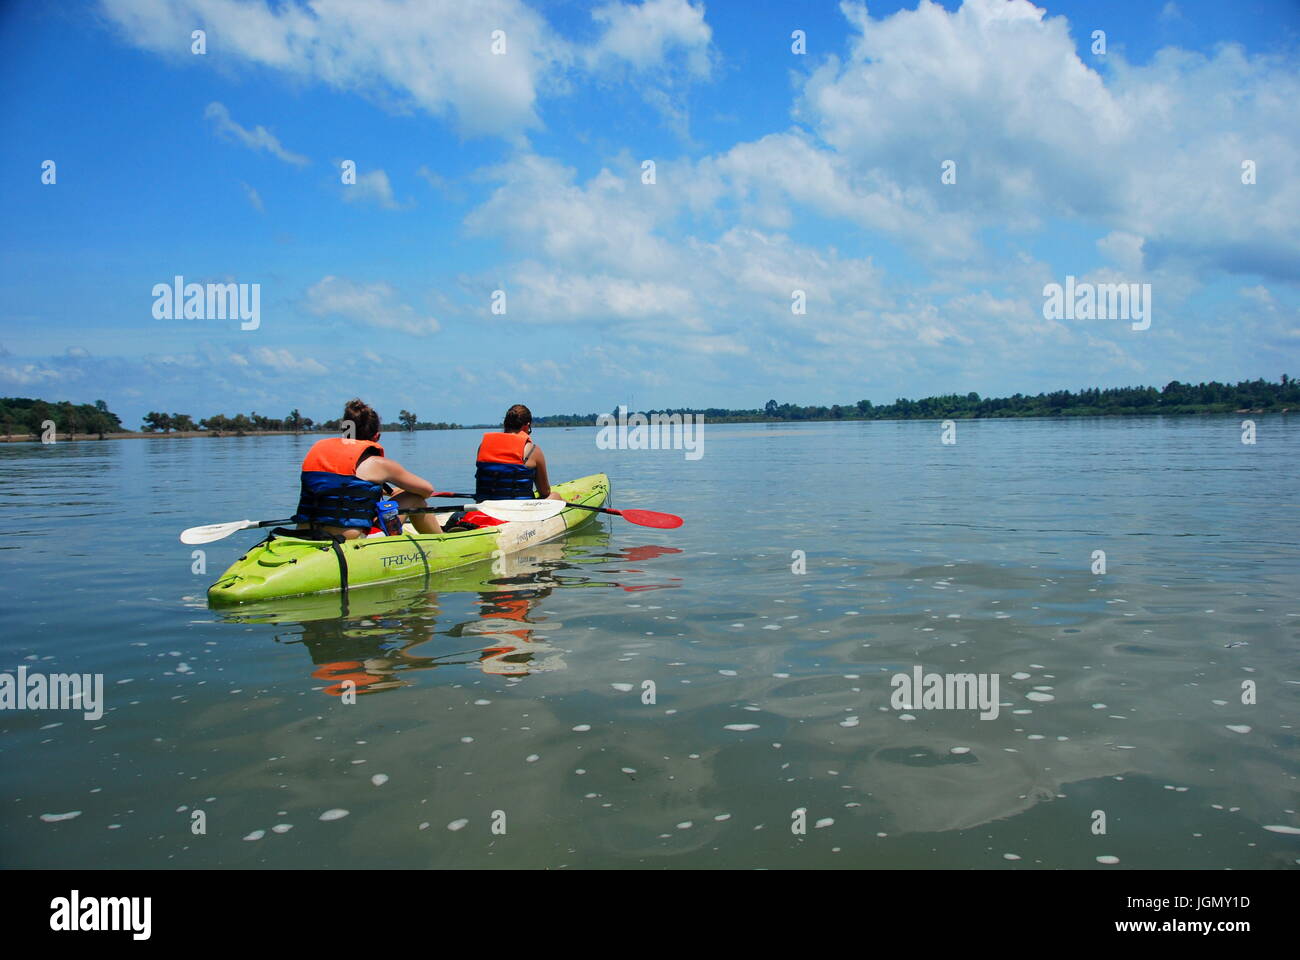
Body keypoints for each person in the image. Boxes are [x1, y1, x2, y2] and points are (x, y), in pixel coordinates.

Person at [292, 398, 441, 539]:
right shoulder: (379, 464)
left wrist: (388, 491)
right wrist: (405, 492)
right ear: (377, 436)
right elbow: (426, 490)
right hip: (349, 538)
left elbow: (341, 487)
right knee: (414, 498)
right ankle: (442, 541)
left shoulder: (319, 453)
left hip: (305, 532)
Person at [474, 404, 565, 502]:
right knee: (555, 496)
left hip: (486, 508)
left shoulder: (482, 446)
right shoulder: (533, 450)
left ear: (505, 425)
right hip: (519, 512)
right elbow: (544, 492)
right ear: (527, 426)